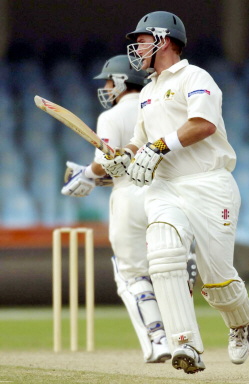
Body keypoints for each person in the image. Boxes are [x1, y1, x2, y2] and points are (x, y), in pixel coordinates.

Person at [98, 11, 249, 374]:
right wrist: (123, 160)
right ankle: (185, 345)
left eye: (140, 41)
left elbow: (203, 124)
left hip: (208, 183)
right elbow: (139, 144)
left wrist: (158, 147)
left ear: (163, 40)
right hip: (164, 187)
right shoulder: (148, 92)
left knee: (216, 274)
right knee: (165, 257)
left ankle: (240, 321)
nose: (135, 49)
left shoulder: (194, 77)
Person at [61, 54, 171, 363]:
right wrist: (98, 177)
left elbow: (107, 162)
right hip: (165, 194)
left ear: (122, 81)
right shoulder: (158, 106)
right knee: (168, 269)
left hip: (129, 198)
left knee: (132, 274)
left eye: (109, 81)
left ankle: (158, 340)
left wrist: (86, 175)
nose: (107, 87)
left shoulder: (112, 116)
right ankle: (182, 337)